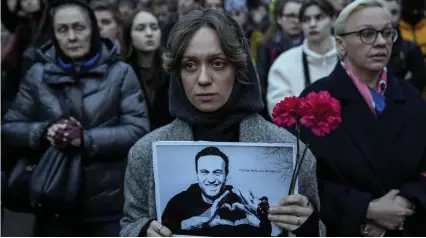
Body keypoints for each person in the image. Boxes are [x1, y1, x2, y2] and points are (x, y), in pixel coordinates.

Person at [120, 9, 324, 237]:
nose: (204, 79)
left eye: (217, 63)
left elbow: (319, 228)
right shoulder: (145, 153)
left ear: (238, 68)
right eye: (190, 65)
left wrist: (308, 226)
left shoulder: (290, 153)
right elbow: (130, 222)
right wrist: (142, 231)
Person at [1, 0, 150, 236]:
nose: (72, 36)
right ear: (54, 34)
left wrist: (87, 139)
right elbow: (10, 127)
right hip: (53, 202)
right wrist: (44, 131)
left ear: (92, 29)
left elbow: (138, 130)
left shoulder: (120, 73)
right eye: (63, 29)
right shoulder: (37, 74)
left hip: (108, 206)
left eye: (79, 27)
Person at [297, 0, 426, 236]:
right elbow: (307, 181)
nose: (381, 42)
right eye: (367, 34)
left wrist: (406, 203)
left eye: (387, 33)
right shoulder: (315, 101)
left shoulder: (411, 97)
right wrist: (366, 209)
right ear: (340, 44)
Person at [161, 146, 272, 236]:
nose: (211, 179)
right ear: (197, 175)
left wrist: (261, 217)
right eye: (205, 172)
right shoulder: (179, 202)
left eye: (217, 172)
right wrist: (204, 219)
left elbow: (266, 232)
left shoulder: (243, 201)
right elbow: (165, 231)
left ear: (226, 175)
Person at [267, 0, 338, 117]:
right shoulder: (284, 64)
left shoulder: (350, 57)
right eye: (306, 20)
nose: (312, 24)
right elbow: (280, 113)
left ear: (333, 19)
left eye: (319, 17)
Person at [121, 8, 173, 130]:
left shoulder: (174, 69)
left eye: (154, 27)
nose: (149, 33)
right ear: (130, 35)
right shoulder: (120, 72)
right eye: (141, 28)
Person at [257, 0, 304, 121]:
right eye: (290, 16)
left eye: (300, 16)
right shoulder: (268, 47)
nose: (296, 21)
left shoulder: (310, 46)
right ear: (279, 19)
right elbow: (261, 84)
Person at [384, 0, 425, 93]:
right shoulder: (368, 47)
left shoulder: (411, 49)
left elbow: (418, 82)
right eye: (384, 13)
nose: (389, 18)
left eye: (394, 13)